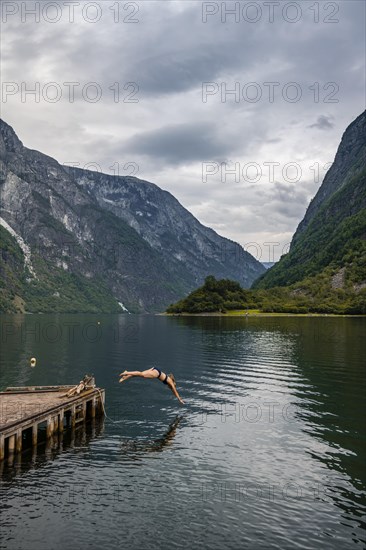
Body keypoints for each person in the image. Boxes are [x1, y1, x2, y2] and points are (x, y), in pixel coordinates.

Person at [119, 367, 185, 405]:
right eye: (171, 386)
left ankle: (126, 376)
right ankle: (126, 373)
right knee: (141, 374)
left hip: (155, 369)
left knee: (140, 375)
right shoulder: (171, 383)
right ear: (173, 383)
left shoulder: (169, 379)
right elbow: (175, 391)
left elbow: (173, 391)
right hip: (157, 373)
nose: (171, 387)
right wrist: (179, 399)